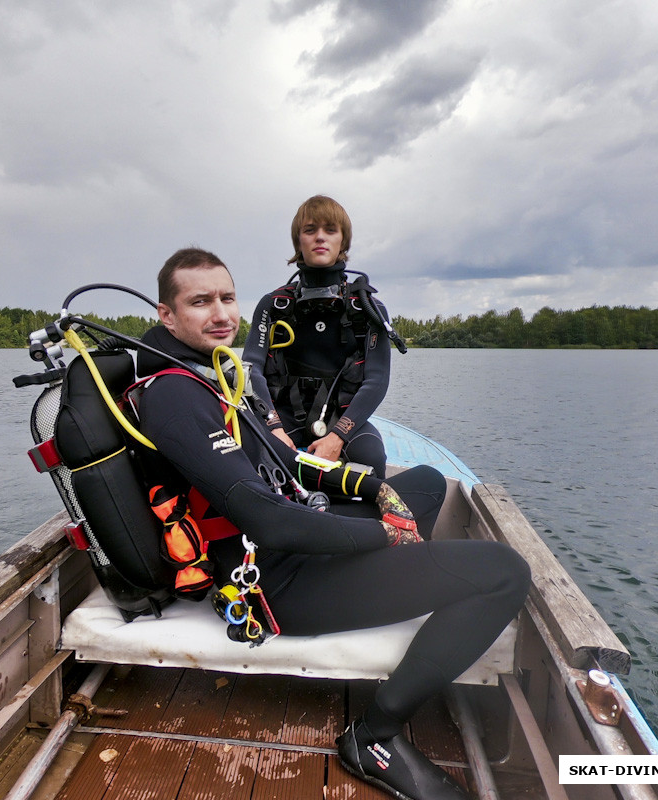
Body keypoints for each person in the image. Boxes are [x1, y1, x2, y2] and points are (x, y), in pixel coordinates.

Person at [137, 247, 531, 800]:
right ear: (167, 315)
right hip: (274, 584)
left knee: (422, 483)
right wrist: (386, 534)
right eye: (199, 302)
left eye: (227, 297)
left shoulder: (208, 376)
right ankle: (375, 736)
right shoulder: (174, 396)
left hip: (292, 539)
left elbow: (283, 463)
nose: (221, 313)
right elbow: (270, 523)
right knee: (504, 571)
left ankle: (394, 545)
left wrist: (375, 489)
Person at [243, 195, 392, 478]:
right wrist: (273, 427)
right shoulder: (274, 305)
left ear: (343, 242)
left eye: (330, 230)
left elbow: (377, 381)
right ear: (298, 241)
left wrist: (337, 437)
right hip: (283, 417)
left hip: (341, 419)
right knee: (247, 450)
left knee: (370, 459)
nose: (320, 238)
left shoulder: (368, 309)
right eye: (310, 230)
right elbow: (251, 370)